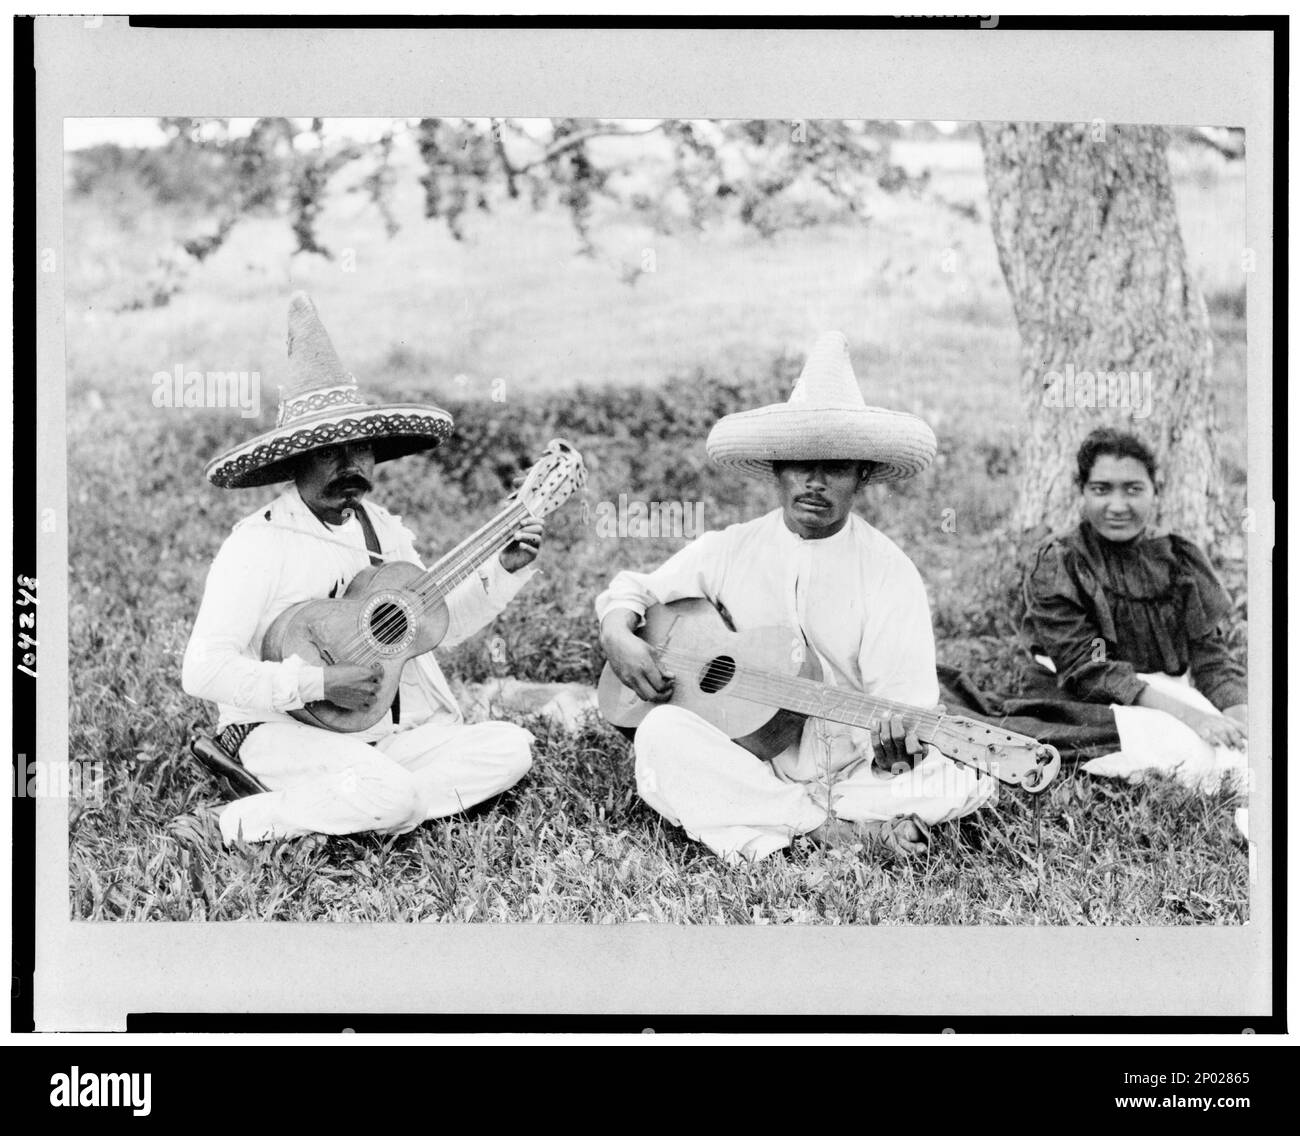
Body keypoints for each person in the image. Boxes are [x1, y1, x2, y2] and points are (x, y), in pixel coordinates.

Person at [596, 331, 996, 864]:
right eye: (799, 464)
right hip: (745, 753)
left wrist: (895, 753)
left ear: (863, 475)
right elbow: (634, 588)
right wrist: (617, 631)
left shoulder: (889, 572)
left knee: (962, 783)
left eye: (834, 466)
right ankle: (831, 831)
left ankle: (775, 822)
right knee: (662, 736)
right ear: (777, 472)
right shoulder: (731, 547)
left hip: (854, 770)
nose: (814, 481)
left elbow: (905, 709)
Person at [178, 292, 541, 847]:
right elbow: (201, 670)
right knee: (395, 794)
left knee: (509, 747)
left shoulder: (383, 530)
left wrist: (504, 571)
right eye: (330, 452)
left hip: (373, 734)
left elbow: (426, 631)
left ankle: (354, 803)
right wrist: (319, 681)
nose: (352, 467)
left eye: (362, 449)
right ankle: (235, 823)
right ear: (294, 460)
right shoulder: (258, 543)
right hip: (276, 730)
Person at [1021, 427, 1247, 762]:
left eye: (1133, 489)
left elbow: (1210, 658)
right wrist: (1193, 717)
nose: (1117, 506)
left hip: (1161, 692)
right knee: (1191, 752)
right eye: (1101, 489)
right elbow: (1088, 668)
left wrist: (1243, 720)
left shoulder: (1179, 559)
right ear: (1081, 491)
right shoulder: (1060, 562)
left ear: (1156, 490)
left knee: (1242, 752)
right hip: (1082, 696)